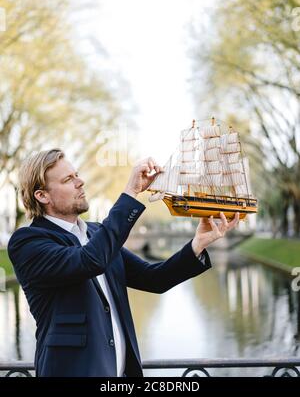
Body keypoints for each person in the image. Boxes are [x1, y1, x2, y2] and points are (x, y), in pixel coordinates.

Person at [8, 149, 239, 377]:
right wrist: (130, 193)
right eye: (69, 179)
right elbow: (90, 260)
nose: (80, 182)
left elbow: (155, 278)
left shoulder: (98, 234)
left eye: (77, 174)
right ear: (42, 195)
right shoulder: (28, 242)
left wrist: (198, 243)